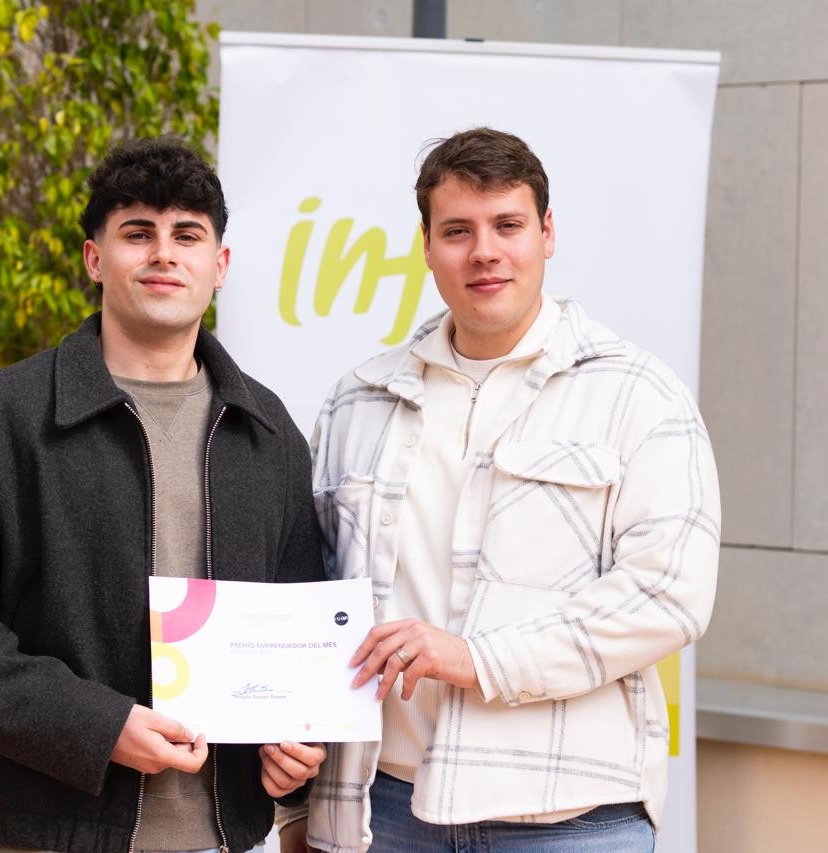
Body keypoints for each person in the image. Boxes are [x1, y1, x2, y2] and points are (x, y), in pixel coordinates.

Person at [0, 136, 327, 853]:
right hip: (45, 833)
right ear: (95, 258)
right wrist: (97, 726)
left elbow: (296, 632)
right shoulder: (5, 419)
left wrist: (295, 750)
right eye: (137, 233)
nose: (164, 254)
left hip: (221, 837)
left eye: (187, 235)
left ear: (220, 266)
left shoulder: (267, 432)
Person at [290, 127, 720, 852]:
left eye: (507, 225)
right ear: (427, 246)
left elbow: (668, 595)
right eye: (458, 230)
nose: (484, 251)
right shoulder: (358, 400)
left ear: (547, 234)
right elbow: (309, 591)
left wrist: (479, 659)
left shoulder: (639, 394)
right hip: (381, 810)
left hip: (571, 817)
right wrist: (293, 781)